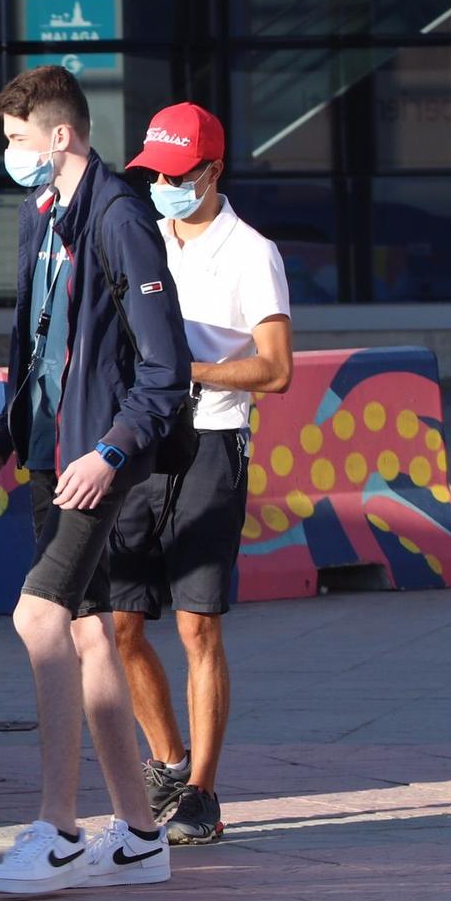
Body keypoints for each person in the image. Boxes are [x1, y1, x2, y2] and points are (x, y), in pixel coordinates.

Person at [0, 65, 190, 896]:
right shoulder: (39, 215)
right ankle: (138, 835)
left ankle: (57, 831)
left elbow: (166, 369)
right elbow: (33, 350)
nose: (10, 154)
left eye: (18, 139)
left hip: (99, 463)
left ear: (61, 135)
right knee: (87, 635)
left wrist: (113, 452)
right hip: (54, 457)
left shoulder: (121, 217)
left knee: (36, 615)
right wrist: (0, 442)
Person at [109, 104, 292, 846]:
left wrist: (191, 372)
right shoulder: (139, 237)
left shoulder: (253, 252)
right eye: (153, 171)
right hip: (139, 440)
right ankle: (168, 760)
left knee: (196, 624)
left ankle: (203, 793)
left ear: (215, 171)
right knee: (118, 621)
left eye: (178, 175)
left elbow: (274, 367)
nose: (162, 184)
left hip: (213, 439)